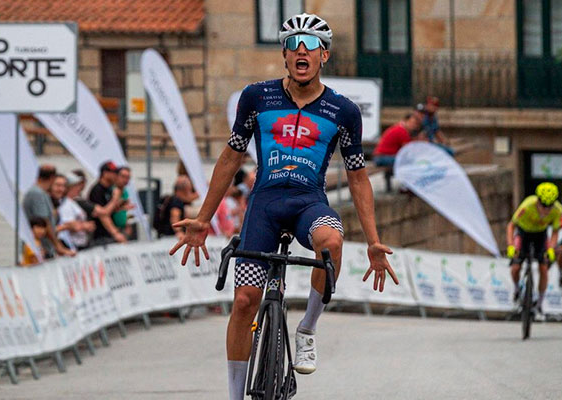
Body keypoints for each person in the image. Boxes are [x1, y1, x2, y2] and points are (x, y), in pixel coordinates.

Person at [169, 13, 399, 400]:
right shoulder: (257, 97)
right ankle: (234, 395)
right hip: (265, 202)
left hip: (309, 202)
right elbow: (230, 158)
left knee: (333, 241)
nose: (301, 51)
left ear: (324, 54)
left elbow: (358, 177)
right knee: (244, 302)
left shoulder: (343, 111)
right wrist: (204, 218)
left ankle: (308, 327)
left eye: (311, 44)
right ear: (284, 55)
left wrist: (374, 242)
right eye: (294, 44)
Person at [507, 182, 562, 321]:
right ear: (537, 201)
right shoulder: (527, 206)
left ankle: (539, 305)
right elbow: (511, 225)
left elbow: (555, 231)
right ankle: (516, 290)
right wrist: (510, 246)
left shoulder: (558, 210)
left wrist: (551, 248)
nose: (546, 210)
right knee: (515, 267)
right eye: (543, 205)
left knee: (543, 268)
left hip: (540, 235)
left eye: (549, 206)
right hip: (523, 233)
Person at [22, 165, 75, 259]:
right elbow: (44, 222)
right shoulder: (37, 194)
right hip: (39, 250)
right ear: (52, 178)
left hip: (45, 248)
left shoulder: (43, 193)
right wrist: (59, 247)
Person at [89, 161, 126, 245]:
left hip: (109, 233)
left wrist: (119, 205)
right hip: (101, 235)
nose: (116, 176)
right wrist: (115, 233)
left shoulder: (109, 189)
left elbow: (109, 209)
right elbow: (102, 214)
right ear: (105, 173)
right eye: (113, 173)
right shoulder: (97, 190)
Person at [57, 173, 96, 251]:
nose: (79, 188)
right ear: (70, 187)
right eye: (77, 185)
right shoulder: (65, 204)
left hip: (81, 243)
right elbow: (69, 225)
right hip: (72, 244)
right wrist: (85, 226)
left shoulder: (73, 202)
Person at [111, 166, 134, 238]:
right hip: (113, 230)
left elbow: (124, 211)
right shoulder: (112, 190)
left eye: (128, 177)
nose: (125, 180)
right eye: (123, 176)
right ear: (116, 176)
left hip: (123, 229)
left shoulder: (125, 191)